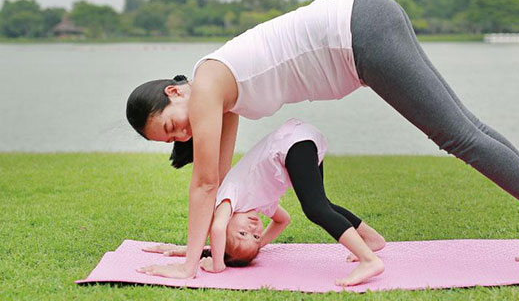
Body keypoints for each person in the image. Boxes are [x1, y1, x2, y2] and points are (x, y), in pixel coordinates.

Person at [126, 0, 519, 285]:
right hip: (364, 25)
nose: (183, 135)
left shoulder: (206, 84)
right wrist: (204, 244)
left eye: (172, 125)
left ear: (174, 92)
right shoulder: (217, 92)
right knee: (468, 131)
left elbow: (205, 183)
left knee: (460, 137)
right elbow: (223, 182)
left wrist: (187, 267)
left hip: (359, 35)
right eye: (171, 140)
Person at [138, 119, 386, 286]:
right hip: (300, 142)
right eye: (254, 236)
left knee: (315, 209)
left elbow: (215, 229)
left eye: (243, 232)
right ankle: (372, 240)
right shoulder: (257, 205)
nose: (255, 229)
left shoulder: (229, 198)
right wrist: (261, 244)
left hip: (289, 144)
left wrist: (217, 264)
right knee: (322, 204)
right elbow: (283, 220)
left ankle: (369, 260)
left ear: (225, 228)